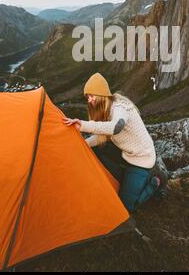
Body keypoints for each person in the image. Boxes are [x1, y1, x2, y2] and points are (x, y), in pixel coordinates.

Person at [63, 72, 168, 213]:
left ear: (101, 94)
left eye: (91, 95)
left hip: (142, 160)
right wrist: (82, 145)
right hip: (126, 155)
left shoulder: (119, 107)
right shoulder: (105, 111)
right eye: (87, 97)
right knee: (95, 150)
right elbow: (101, 137)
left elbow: (116, 127)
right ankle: (117, 179)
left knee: (125, 208)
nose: (89, 100)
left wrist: (82, 124)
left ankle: (154, 182)